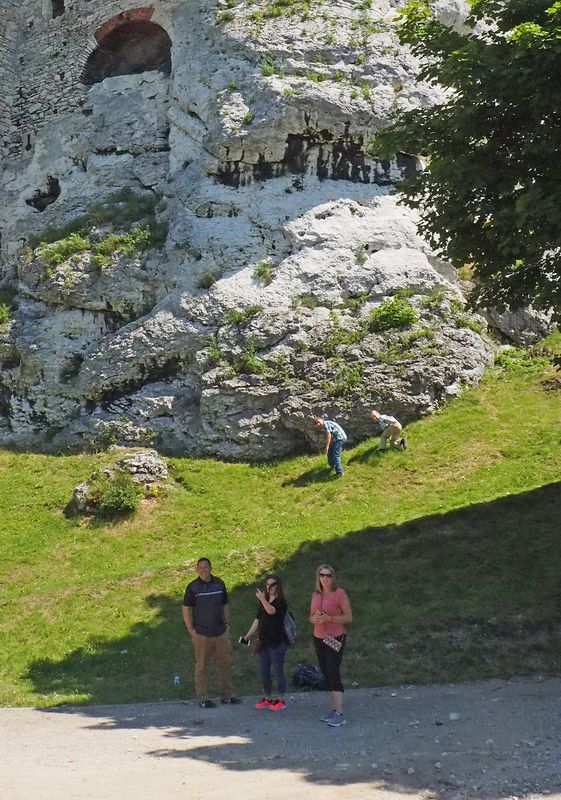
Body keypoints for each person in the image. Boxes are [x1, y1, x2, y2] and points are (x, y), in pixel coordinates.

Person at [182, 557, 241, 708]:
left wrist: (227, 624)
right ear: (197, 570)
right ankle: (203, 698)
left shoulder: (219, 584)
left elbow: (225, 604)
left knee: (226, 663)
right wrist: (191, 630)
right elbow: (186, 608)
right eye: (200, 567)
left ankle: (227, 696)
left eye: (206, 567)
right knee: (201, 666)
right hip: (202, 633)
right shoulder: (192, 587)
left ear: (211, 568)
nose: (203, 569)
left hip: (220, 631)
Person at [309, 564, 353, 727]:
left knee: (333, 670)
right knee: (326, 671)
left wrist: (330, 619)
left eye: (328, 575)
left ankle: (340, 712)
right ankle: (334, 708)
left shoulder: (339, 593)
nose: (325, 579)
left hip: (335, 637)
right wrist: (314, 619)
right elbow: (310, 616)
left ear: (333, 577)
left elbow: (349, 617)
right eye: (322, 575)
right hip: (319, 637)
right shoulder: (316, 594)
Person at [243, 574, 289, 711]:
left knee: (278, 670)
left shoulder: (281, 602)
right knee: (263, 671)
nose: (269, 587)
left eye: (272, 585)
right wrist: (247, 635)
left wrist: (262, 599)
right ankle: (267, 697)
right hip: (264, 642)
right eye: (267, 585)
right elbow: (258, 619)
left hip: (277, 642)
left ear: (278, 586)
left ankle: (281, 699)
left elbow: (271, 611)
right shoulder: (265, 600)